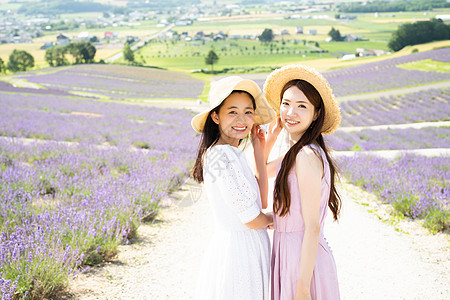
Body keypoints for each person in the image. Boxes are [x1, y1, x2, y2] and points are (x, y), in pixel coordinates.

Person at [191, 75, 276, 299]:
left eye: (248, 112)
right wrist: (275, 218)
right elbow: (251, 218)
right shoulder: (222, 155)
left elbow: (261, 202)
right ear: (216, 117)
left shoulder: (231, 154)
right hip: (240, 253)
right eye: (232, 112)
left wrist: (259, 150)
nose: (242, 119)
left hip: (247, 247)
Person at [263, 64, 342, 300]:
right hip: (289, 253)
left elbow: (312, 226)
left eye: (301, 106)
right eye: (286, 104)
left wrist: (303, 289)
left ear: (316, 113)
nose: (290, 112)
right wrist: (272, 136)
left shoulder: (306, 155)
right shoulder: (295, 152)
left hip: (302, 260)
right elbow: (261, 173)